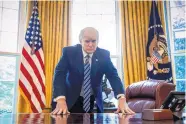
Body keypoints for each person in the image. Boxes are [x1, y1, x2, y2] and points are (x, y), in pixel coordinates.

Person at [51, 27, 135, 115]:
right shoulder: (69, 52)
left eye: (94, 41)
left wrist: (121, 98)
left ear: (98, 41)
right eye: (87, 41)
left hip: (89, 100)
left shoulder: (104, 55)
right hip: (67, 99)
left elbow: (113, 76)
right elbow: (59, 74)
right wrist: (60, 99)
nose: (90, 44)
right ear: (81, 41)